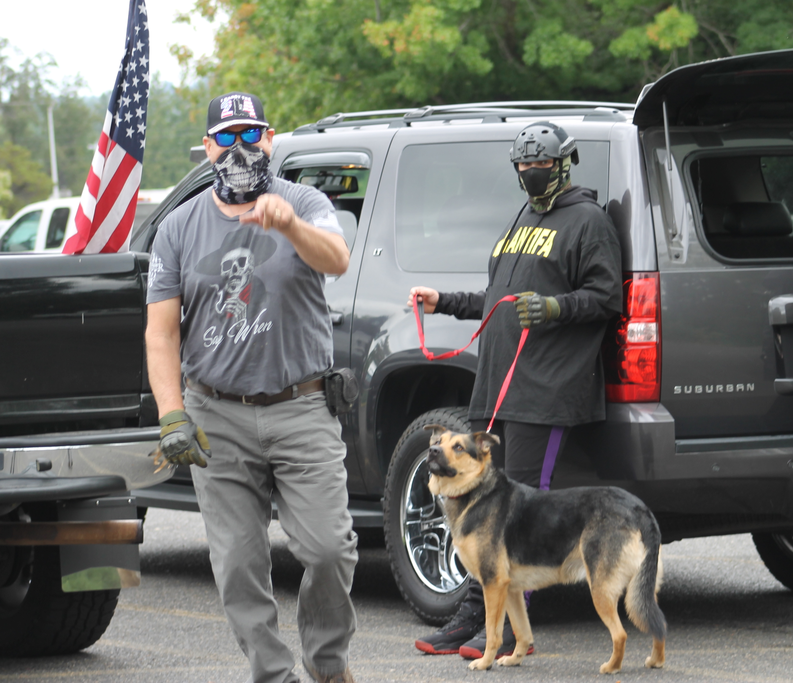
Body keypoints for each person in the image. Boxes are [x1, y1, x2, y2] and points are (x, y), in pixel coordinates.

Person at [145, 92, 358, 683]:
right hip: (217, 415)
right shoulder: (180, 228)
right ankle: (273, 674)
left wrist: (287, 224)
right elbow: (160, 333)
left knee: (329, 551)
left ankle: (329, 665)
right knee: (238, 562)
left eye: (250, 134)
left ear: (270, 138)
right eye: (227, 137)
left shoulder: (305, 202)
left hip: (301, 406)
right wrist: (172, 416)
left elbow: (337, 259)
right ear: (208, 147)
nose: (239, 148)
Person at [407, 121, 622, 660]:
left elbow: (605, 296)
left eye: (540, 165)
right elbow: (499, 297)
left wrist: (554, 307)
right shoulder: (523, 218)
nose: (531, 173)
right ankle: (470, 615)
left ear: (563, 163)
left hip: (547, 389)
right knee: (480, 516)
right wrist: (446, 301)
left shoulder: (588, 221)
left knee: (516, 519)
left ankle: (498, 630)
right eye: (523, 166)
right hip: (498, 385)